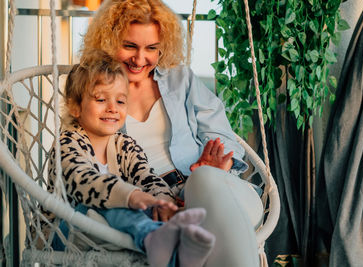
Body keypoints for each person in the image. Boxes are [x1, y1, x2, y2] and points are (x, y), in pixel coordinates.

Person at [82, 0, 263, 266]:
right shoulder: (95, 93)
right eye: (129, 46)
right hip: (157, 205)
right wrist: (155, 198)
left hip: (223, 190)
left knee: (203, 179)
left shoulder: (181, 80)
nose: (140, 59)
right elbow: (92, 164)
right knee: (209, 233)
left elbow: (224, 138)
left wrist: (215, 166)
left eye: (151, 48)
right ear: (108, 41)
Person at [46, 50, 218, 267]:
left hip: (113, 233)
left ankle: (174, 246)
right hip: (66, 232)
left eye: (120, 101)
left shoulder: (124, 145)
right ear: (75, 106)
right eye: (101, 99)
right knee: (110, 205)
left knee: (143, 208)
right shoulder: (67, 143)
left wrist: (162, 203)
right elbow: (85, 183)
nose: (112, 108)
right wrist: (132, 196)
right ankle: (157, 238)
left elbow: (148, 178)